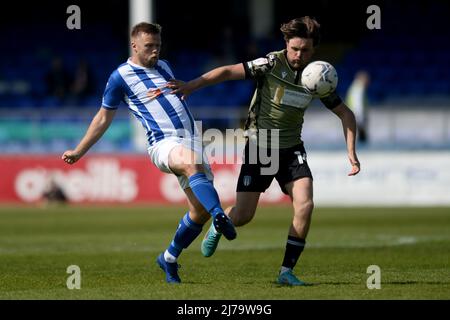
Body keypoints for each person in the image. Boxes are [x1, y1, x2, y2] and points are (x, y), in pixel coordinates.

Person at [166, 17, 361, 286]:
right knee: (244, 216)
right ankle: (218, 224)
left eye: (304, 50)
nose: (298, 55)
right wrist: (192, 85)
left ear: (313, 49)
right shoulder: (270, 64)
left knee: (305, 204)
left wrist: (351, 152)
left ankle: (286, 272)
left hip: (292, 149)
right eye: (294, 49)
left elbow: (346, 114)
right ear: (286, 44)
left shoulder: (318, 76)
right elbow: (227, 72)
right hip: (261, 146)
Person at [61, 22, 236, 284]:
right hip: (162, 143)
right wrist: (79, 150)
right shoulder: (120, 76)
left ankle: (168, 257)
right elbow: (102, 119)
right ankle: (219, 215)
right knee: (191, 166)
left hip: (192, 140)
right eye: (148, 47)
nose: (155, 51)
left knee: (197, 212)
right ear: (134, 46)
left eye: (158, 46)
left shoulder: (164, 66)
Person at [345, 70, 370, 143]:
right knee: (358, 139)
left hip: (354, 116)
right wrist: (361, 119)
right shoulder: (359, 88)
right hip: (357, 117)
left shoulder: (354, 87)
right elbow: (358, 104)